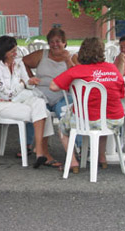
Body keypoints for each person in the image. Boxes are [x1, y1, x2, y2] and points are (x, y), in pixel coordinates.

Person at [50, 37, 125, 173]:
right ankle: (102, 158)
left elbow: (53, 86)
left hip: (85, 120)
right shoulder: (113, 69)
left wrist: (72, 84)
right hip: (115, 120)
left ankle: (73, 162)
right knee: (101, 123)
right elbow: (121, 93)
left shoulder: (78, 70)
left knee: (62, 128)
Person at [0, 35, 57, 169]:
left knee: (40, 105)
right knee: (44, 113)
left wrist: (30, 82)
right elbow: (6, 94)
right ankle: (41, 152)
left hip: (20, 99)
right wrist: (22, 84)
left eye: (16, 50)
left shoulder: (18, 64)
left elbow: (28, 84)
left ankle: (40, 152)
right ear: (2, 52)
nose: (15, 54)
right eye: (12, 51)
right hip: (3, 104)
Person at [20, 28, 78, 163]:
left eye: (58, 41)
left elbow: (77, 75)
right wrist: (30, 77)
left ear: (64, 43)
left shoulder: (72, 57)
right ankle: (28, 145)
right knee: (34, 110)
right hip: (42, 92)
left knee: (69, 114)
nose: (55, 44)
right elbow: (23, 62)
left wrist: (67, 60)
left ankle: (77, 149)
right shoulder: (42, 54)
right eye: (51, 42)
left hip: (63, 94)